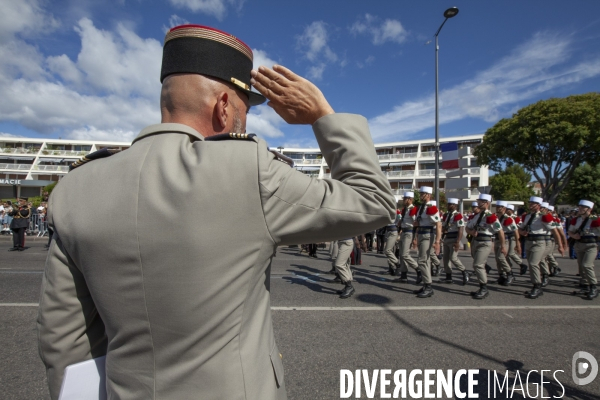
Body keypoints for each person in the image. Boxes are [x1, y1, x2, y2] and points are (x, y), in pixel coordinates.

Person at [37, 24, 395, 400]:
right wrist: (322, 114)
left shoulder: (75, 188)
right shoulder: (247, 170)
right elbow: (373, 200)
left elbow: (64, 339)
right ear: (224, 106)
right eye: (244, 108)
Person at [518, 196, 564, 299]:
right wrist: (522, 232)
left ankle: (537, 286)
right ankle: (536, 285)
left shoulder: (544, 216)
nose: (530, 205)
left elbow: (554, 231)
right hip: (529, 241)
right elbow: (520, 229)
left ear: (538, 206)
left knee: (534, 263)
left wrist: (560, 245)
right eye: (529, 203)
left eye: (532, 204)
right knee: (531, 264)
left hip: (539, 242)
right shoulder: (527, 216)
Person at [465, 194, 504, 299]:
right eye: (478, 201)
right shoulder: (477, 216)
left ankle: (484, 288)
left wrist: (503, 245)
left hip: (485, 242)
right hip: (475, 241)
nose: (478, 203)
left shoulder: (491, 217)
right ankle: (481, 286)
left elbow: (500, 231)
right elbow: (467, 228)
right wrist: (471, 232)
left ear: (487, 203)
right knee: (477, 264)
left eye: (481, 201)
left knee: (478, 265)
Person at [411, 186, 441, 298]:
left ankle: (428, 286)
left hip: (428, 235)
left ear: (428, 195)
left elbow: (438, 224)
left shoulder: (431, 207)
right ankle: (426, 285)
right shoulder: (421, 207)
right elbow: (420, 222)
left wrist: (437, 241)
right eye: (420, 193)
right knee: (426, 261)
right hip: (422, 234)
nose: (420, 195)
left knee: (422, 261)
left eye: (423, 193)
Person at [568, 200, 599, 300]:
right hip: (579, 244)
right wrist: (574, 235)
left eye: (583, 207)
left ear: (589, 209)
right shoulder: (576, 220)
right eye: (580, 207)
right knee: (581, 266)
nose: (580, 209)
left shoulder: (595, 219)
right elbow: (570, 231)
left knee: (587, 265)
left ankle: (593, 286)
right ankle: (586, 284)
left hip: (592, 244)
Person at [440, 198, 469, 285]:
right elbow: (444, 226)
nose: (448, 206)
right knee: (445, 259)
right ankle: (448, 276)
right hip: (447, 238)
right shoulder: (446, 215)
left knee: (453, 258)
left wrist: (458, 242)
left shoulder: (458, 215)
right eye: (448, 204)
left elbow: (461, 229)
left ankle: (464, 271)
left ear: (455, 206)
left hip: (454, 238)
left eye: (451, 204)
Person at [493, 201, 518, 285]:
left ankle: (510, 274)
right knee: (497, 259)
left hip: (505, 239)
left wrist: (518, 243)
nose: (497, 208)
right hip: (496, 239)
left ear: (504, 208)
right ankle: (501, 275)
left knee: (501, 257)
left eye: (499, 207)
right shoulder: (496, 217)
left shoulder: (508, 218)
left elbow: (515, 231)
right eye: (497, 206)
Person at [396, 192, 419, 283]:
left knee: (405, 254)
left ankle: (418, 268)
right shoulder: (405, 209)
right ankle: (404, 274)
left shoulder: (413, 209)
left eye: (405, 198)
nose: (404, 200)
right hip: (404, 231)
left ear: (410, 199)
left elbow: (416, 224)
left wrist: (415, 238)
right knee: (402, 255)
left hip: (409, 232)